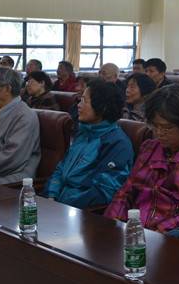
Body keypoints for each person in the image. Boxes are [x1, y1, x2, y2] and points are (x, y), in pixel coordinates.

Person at [105, 84, 179, 233]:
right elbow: (126, 192)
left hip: (170, 235)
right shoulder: (149, 148)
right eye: (155, 126)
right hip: (135, 230)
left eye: (167, 128)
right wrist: (113, 224)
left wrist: (155, 232)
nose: (159, 133)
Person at [46, 79, 133, 207]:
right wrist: (51, 196)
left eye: (84, 101)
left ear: (102, 107)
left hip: (80, 211)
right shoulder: (83, 133)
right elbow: (61, 169)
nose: (78, 105)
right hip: (59, 204)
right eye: (80, 100)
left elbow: (103, 191)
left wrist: (63, 207)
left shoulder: (117, 143)